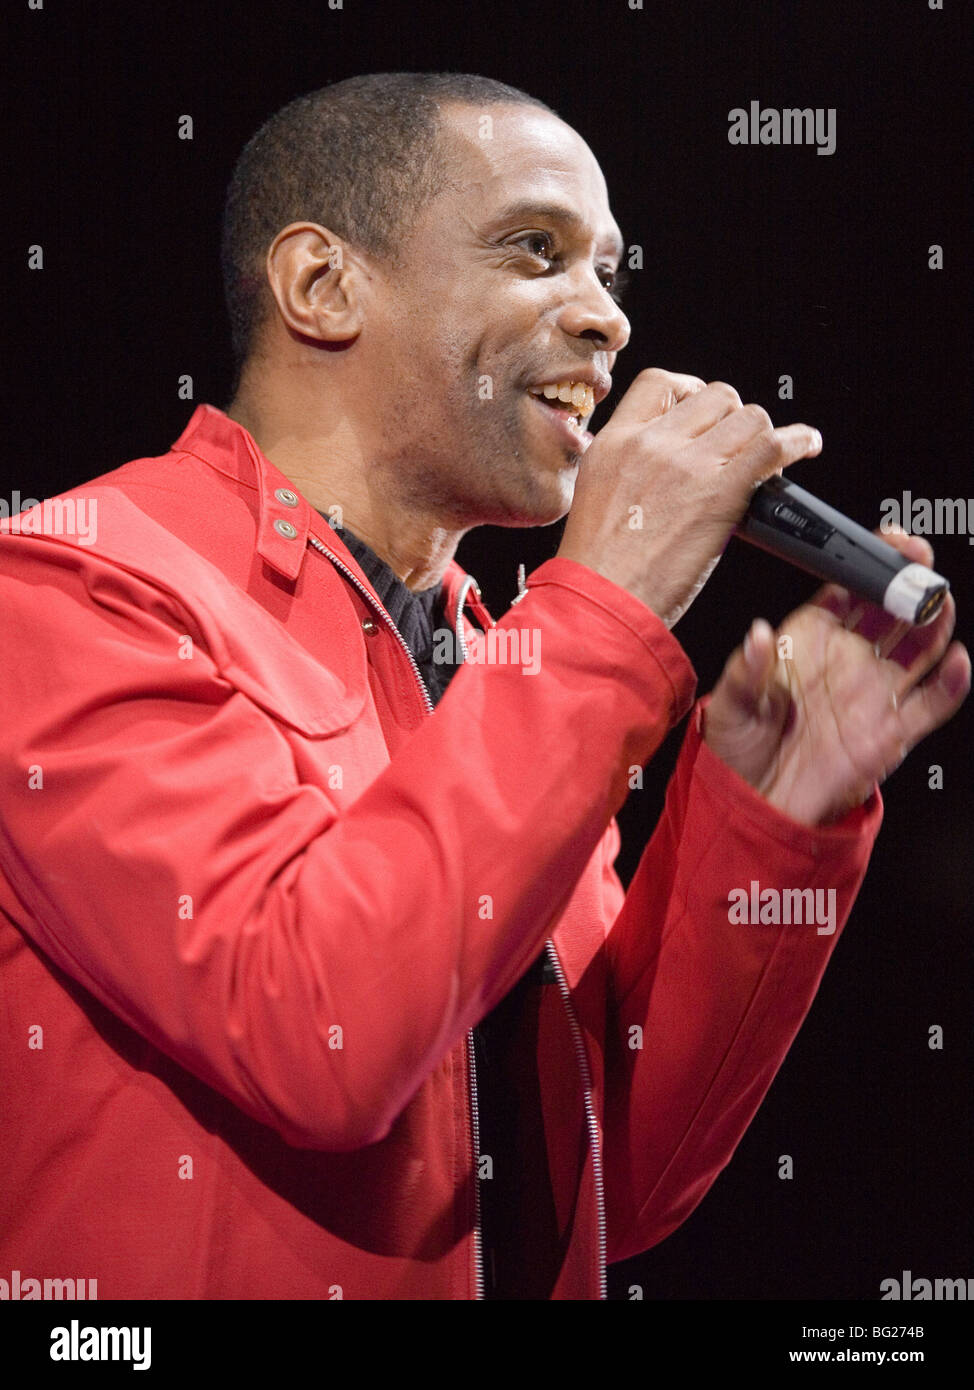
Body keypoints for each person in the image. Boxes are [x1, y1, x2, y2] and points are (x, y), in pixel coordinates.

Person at [0, 73, 967, 1302]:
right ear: (321, 287)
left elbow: (610, 1180)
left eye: (609, 273)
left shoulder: (497, 659)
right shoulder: (72, 591)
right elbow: (320, 1036)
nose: (606, 320)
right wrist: (603, 614)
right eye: (536, 251)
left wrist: (763, 822)